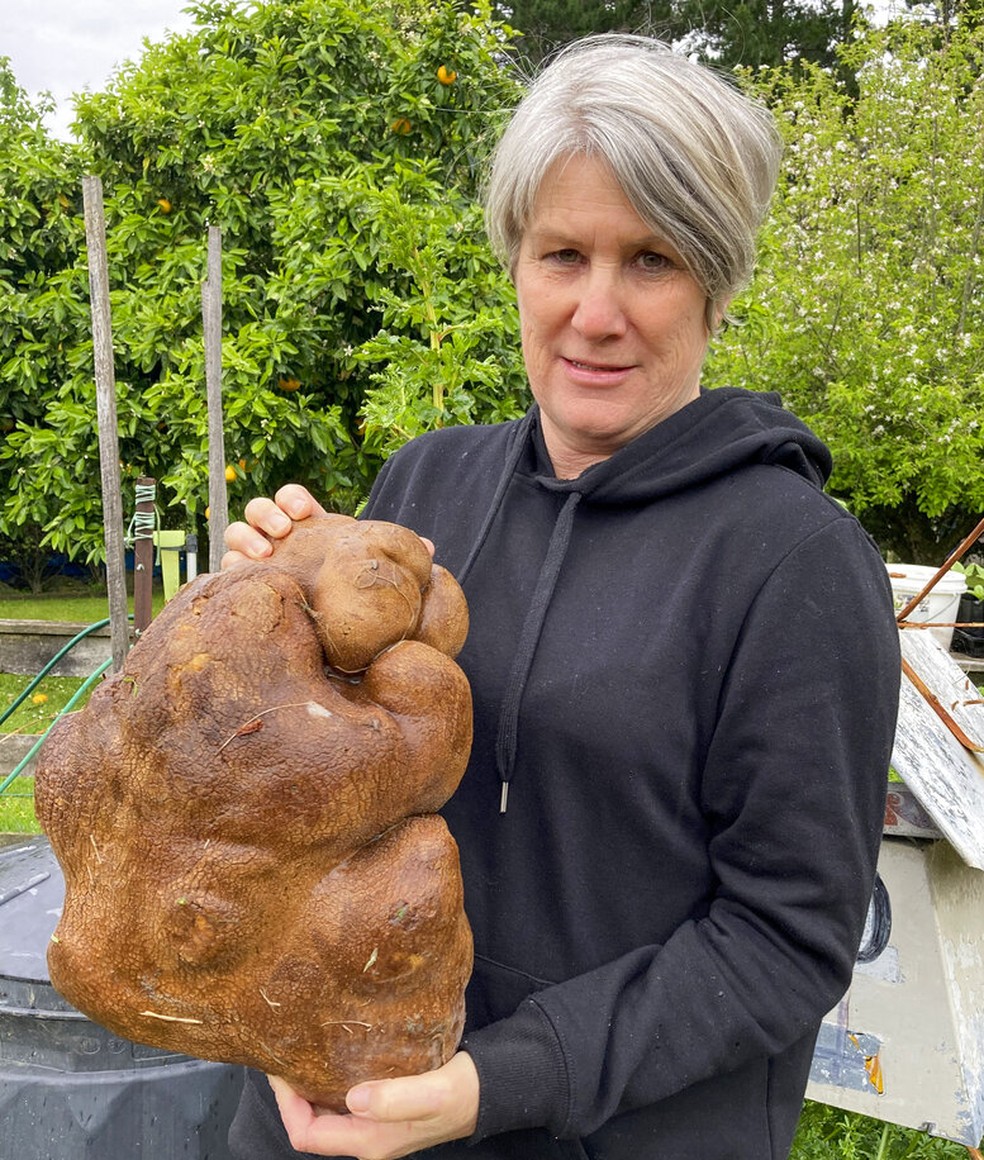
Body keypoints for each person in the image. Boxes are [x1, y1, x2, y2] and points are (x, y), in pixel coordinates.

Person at [222, 33, 900, 1160]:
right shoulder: (426, 479)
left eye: (651, 259)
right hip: (328, 1104)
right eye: (562, 254)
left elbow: (784, 938)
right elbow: (329, 780)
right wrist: (263, 627)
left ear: (717, 283)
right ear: (515, 263)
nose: (596, 310)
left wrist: (498, 1081)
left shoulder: (795, 564)